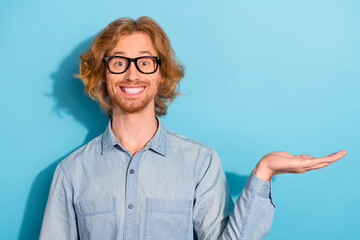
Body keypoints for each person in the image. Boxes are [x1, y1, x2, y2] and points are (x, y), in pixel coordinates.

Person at [39, 16, 347, 240]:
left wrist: (264, 171)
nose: (132, 74)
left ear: (161, 74)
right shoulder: (71, 172)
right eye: (119, 62)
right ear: (104, 74)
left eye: (145, 62)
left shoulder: (200, 162)